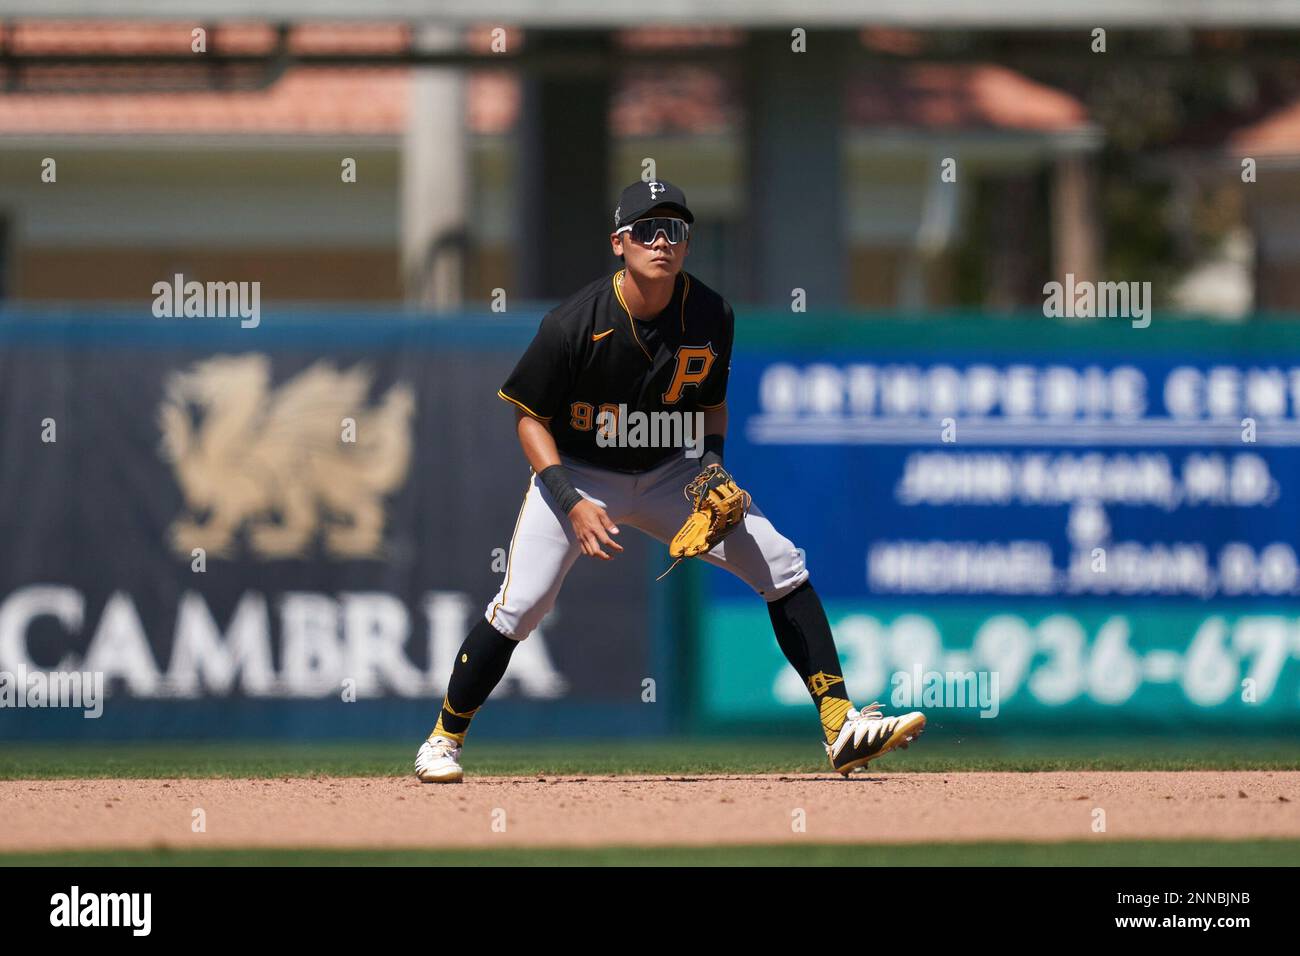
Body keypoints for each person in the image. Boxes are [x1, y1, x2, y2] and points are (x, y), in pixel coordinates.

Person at [415, 180, 925, 783]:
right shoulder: (573, 324)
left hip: (670, 474)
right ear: (619, 243)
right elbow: (530, 420)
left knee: (783, 566)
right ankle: (443, 739)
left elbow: (711, 404)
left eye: (675, 230)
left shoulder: (712, 314)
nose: (662, 240)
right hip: (580, 474)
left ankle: (840, 726)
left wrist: (711, 466)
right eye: (646, 230)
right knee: (521, 606)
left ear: (688, 243)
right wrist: (569, 502)